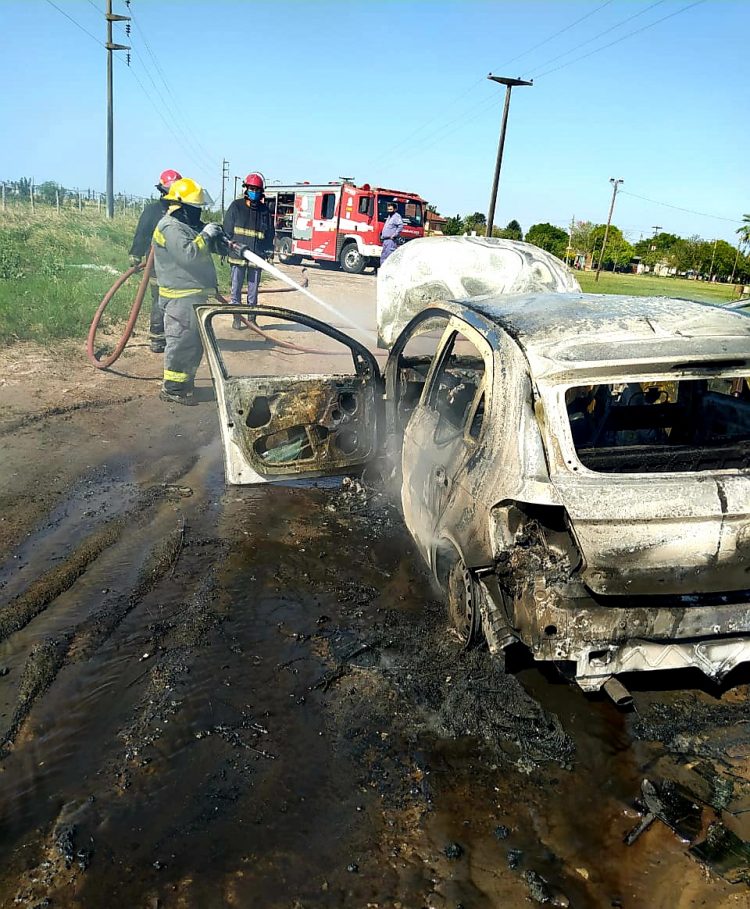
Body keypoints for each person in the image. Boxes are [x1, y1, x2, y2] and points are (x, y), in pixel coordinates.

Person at [151, 177, 223, 405]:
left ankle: (184, 385)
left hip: (192, 296)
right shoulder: (170, 227)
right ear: (181, 206)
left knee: (192, 344)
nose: (197, 214)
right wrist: (206, 236)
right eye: (194, 209)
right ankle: (173, 389)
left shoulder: (184, 225)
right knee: (181, 343)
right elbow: (189, 255)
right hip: (180, 298)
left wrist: (217, 238)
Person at [129, 168, 182, 352]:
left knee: (178, 303)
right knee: (159, 301)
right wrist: (136, 254)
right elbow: (142, 234)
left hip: (179, 266)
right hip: (157, 265)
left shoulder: (183, 211)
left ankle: (175, 336)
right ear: (163, 190)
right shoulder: (153, 211)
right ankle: (158, 337)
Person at [222, 172, 275, 329]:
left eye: (257, 190)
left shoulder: (264, 211)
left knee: (253, 292)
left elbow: (269, 233)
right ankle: (237, 319)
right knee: (236, 289)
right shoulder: (236, 206)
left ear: (261, 192)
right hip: (237, 256)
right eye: (251, 188)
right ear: (246, 189)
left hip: (257, 257)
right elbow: (227, 231)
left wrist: (268, 250)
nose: (254, 192)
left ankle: (251, 319)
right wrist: (227, 248)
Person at [380, 198, 404, 264]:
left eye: (391, 209)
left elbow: (401, 226)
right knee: (383, 256)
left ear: (395, 209)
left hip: (391, 241)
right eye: (388, 209)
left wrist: (395, 235)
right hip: (385, 240)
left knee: (388, 257)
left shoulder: (396, 216)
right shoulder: (389, 217)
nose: (389, 211)